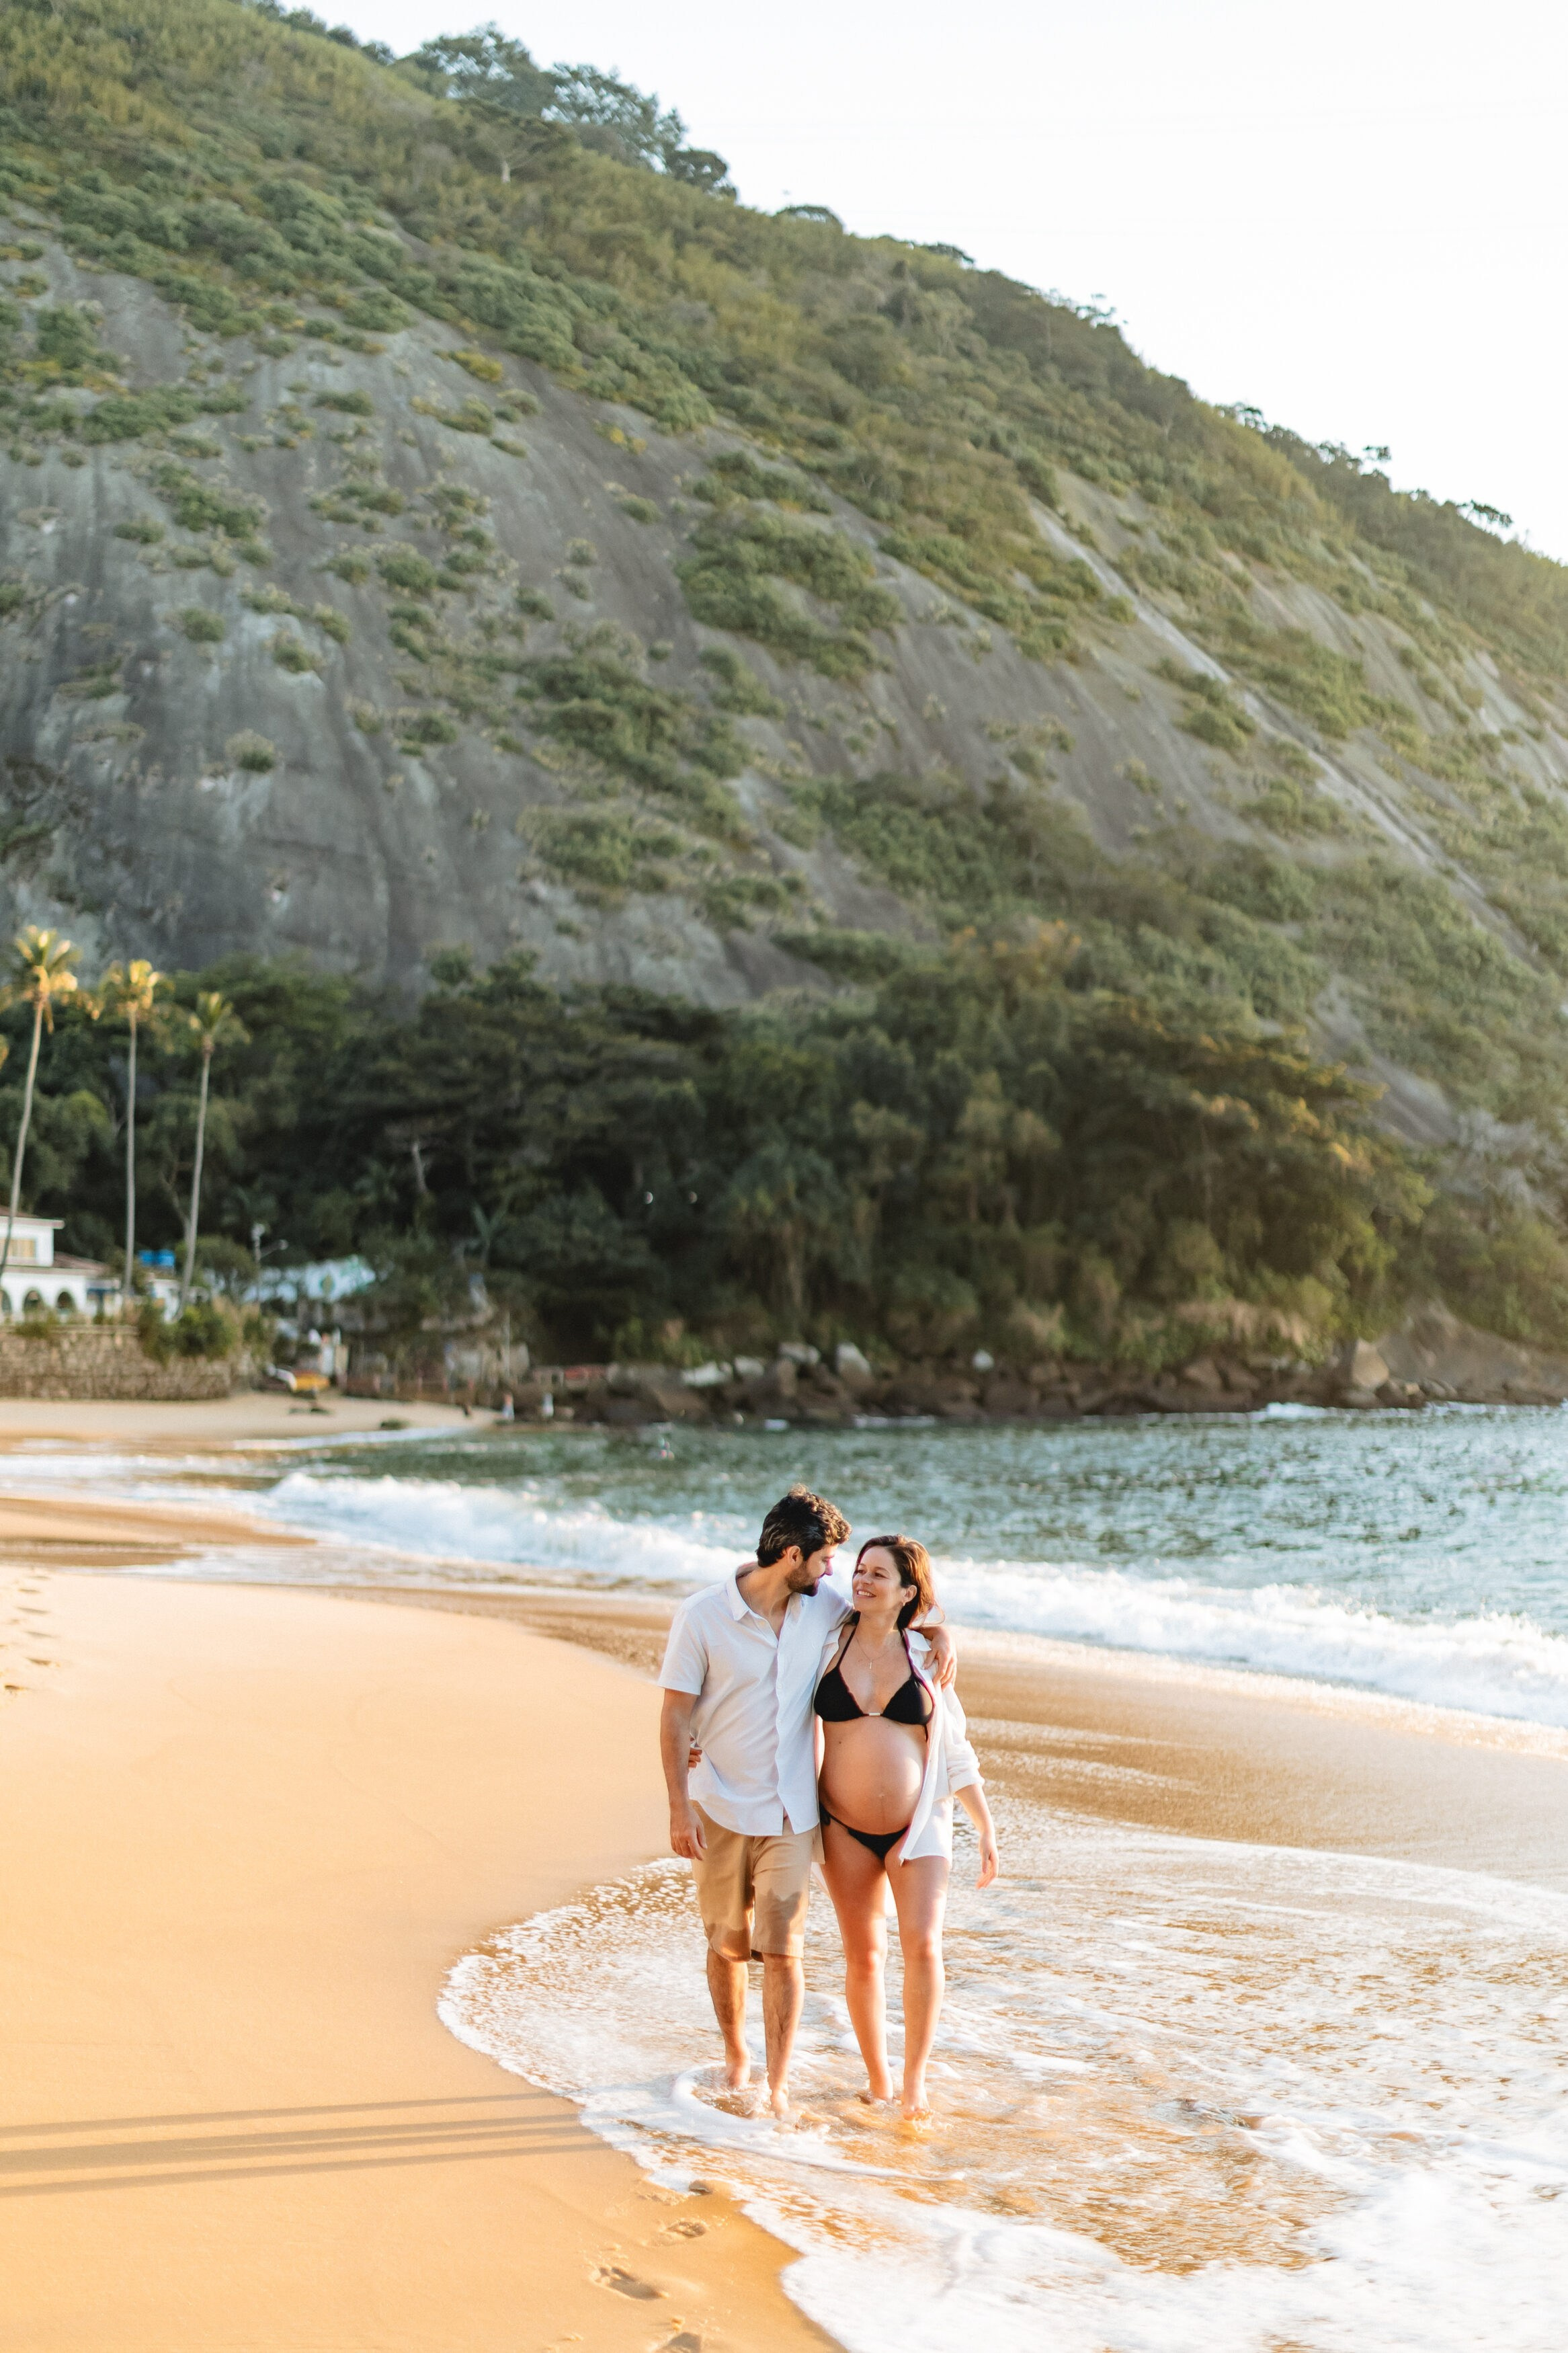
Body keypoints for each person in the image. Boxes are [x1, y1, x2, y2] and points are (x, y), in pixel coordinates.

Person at [659, 1486, 956, 2118]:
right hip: (718, 1804)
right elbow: (674, 1713)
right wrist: (678, 1806)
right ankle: (736, 2054)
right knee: (728, 1944)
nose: (835, 1576)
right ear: (793, 1555)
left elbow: (892, 1614)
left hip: (794, 1811)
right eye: (826, 1561)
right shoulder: (702, 1615)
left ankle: (777, 2086)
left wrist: (940, 1631)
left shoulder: (822, 1609)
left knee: (783, 1950)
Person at [815, 1535, 997, 2121]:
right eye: (859, 1570)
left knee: (922, 1946)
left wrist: (985, 1827)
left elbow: (955, 1749)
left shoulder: (926, 1657)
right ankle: (878, 2081)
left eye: (878, 1575)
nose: (862, 1581)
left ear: (906, 1591)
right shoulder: (824, 1642)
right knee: (864, 1955)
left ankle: (914, 2081)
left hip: (918, 1827)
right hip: (841, 1826)